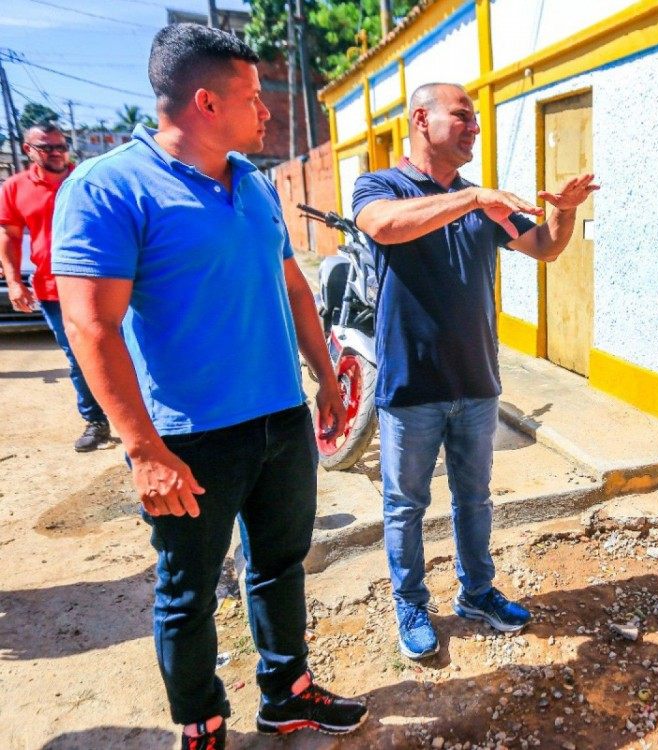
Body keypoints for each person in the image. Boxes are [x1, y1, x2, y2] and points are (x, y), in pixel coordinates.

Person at [51, 24, 367, 749]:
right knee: (188, 594)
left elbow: (294, 288)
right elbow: (92, 327)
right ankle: (201, 719)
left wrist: (323, 378)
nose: (267, 112)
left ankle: (287, 694)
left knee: (280, 566)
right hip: (189, 438)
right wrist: (142, 450)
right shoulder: (108, 189)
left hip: (280, 420)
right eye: (253, 97)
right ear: (204, 102)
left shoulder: (255, 186)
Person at [352, 82, 598, 661]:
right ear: (421, 119)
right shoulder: (381, 185)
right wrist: (472, 199)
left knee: (474, 498)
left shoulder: (480, 201)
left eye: (476, 119)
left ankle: (477, 593)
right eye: (463, 116)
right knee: (405, 505)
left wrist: (563, 210)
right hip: (410, 383)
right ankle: (410, 602)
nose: (475, 127)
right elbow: (384, 226)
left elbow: (544, 247)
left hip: (476, 381)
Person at [0, 122, 112, 451]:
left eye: (61, 146)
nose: (56, 153)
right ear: (28, 150)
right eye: (46, 147)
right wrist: (15, 281)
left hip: (101, 283)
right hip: (52, 290)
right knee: (80, 357)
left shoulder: (87, 181)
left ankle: (147, 415)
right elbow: (9, 237)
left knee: (130, 348)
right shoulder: (15, 188)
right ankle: (95, 421)